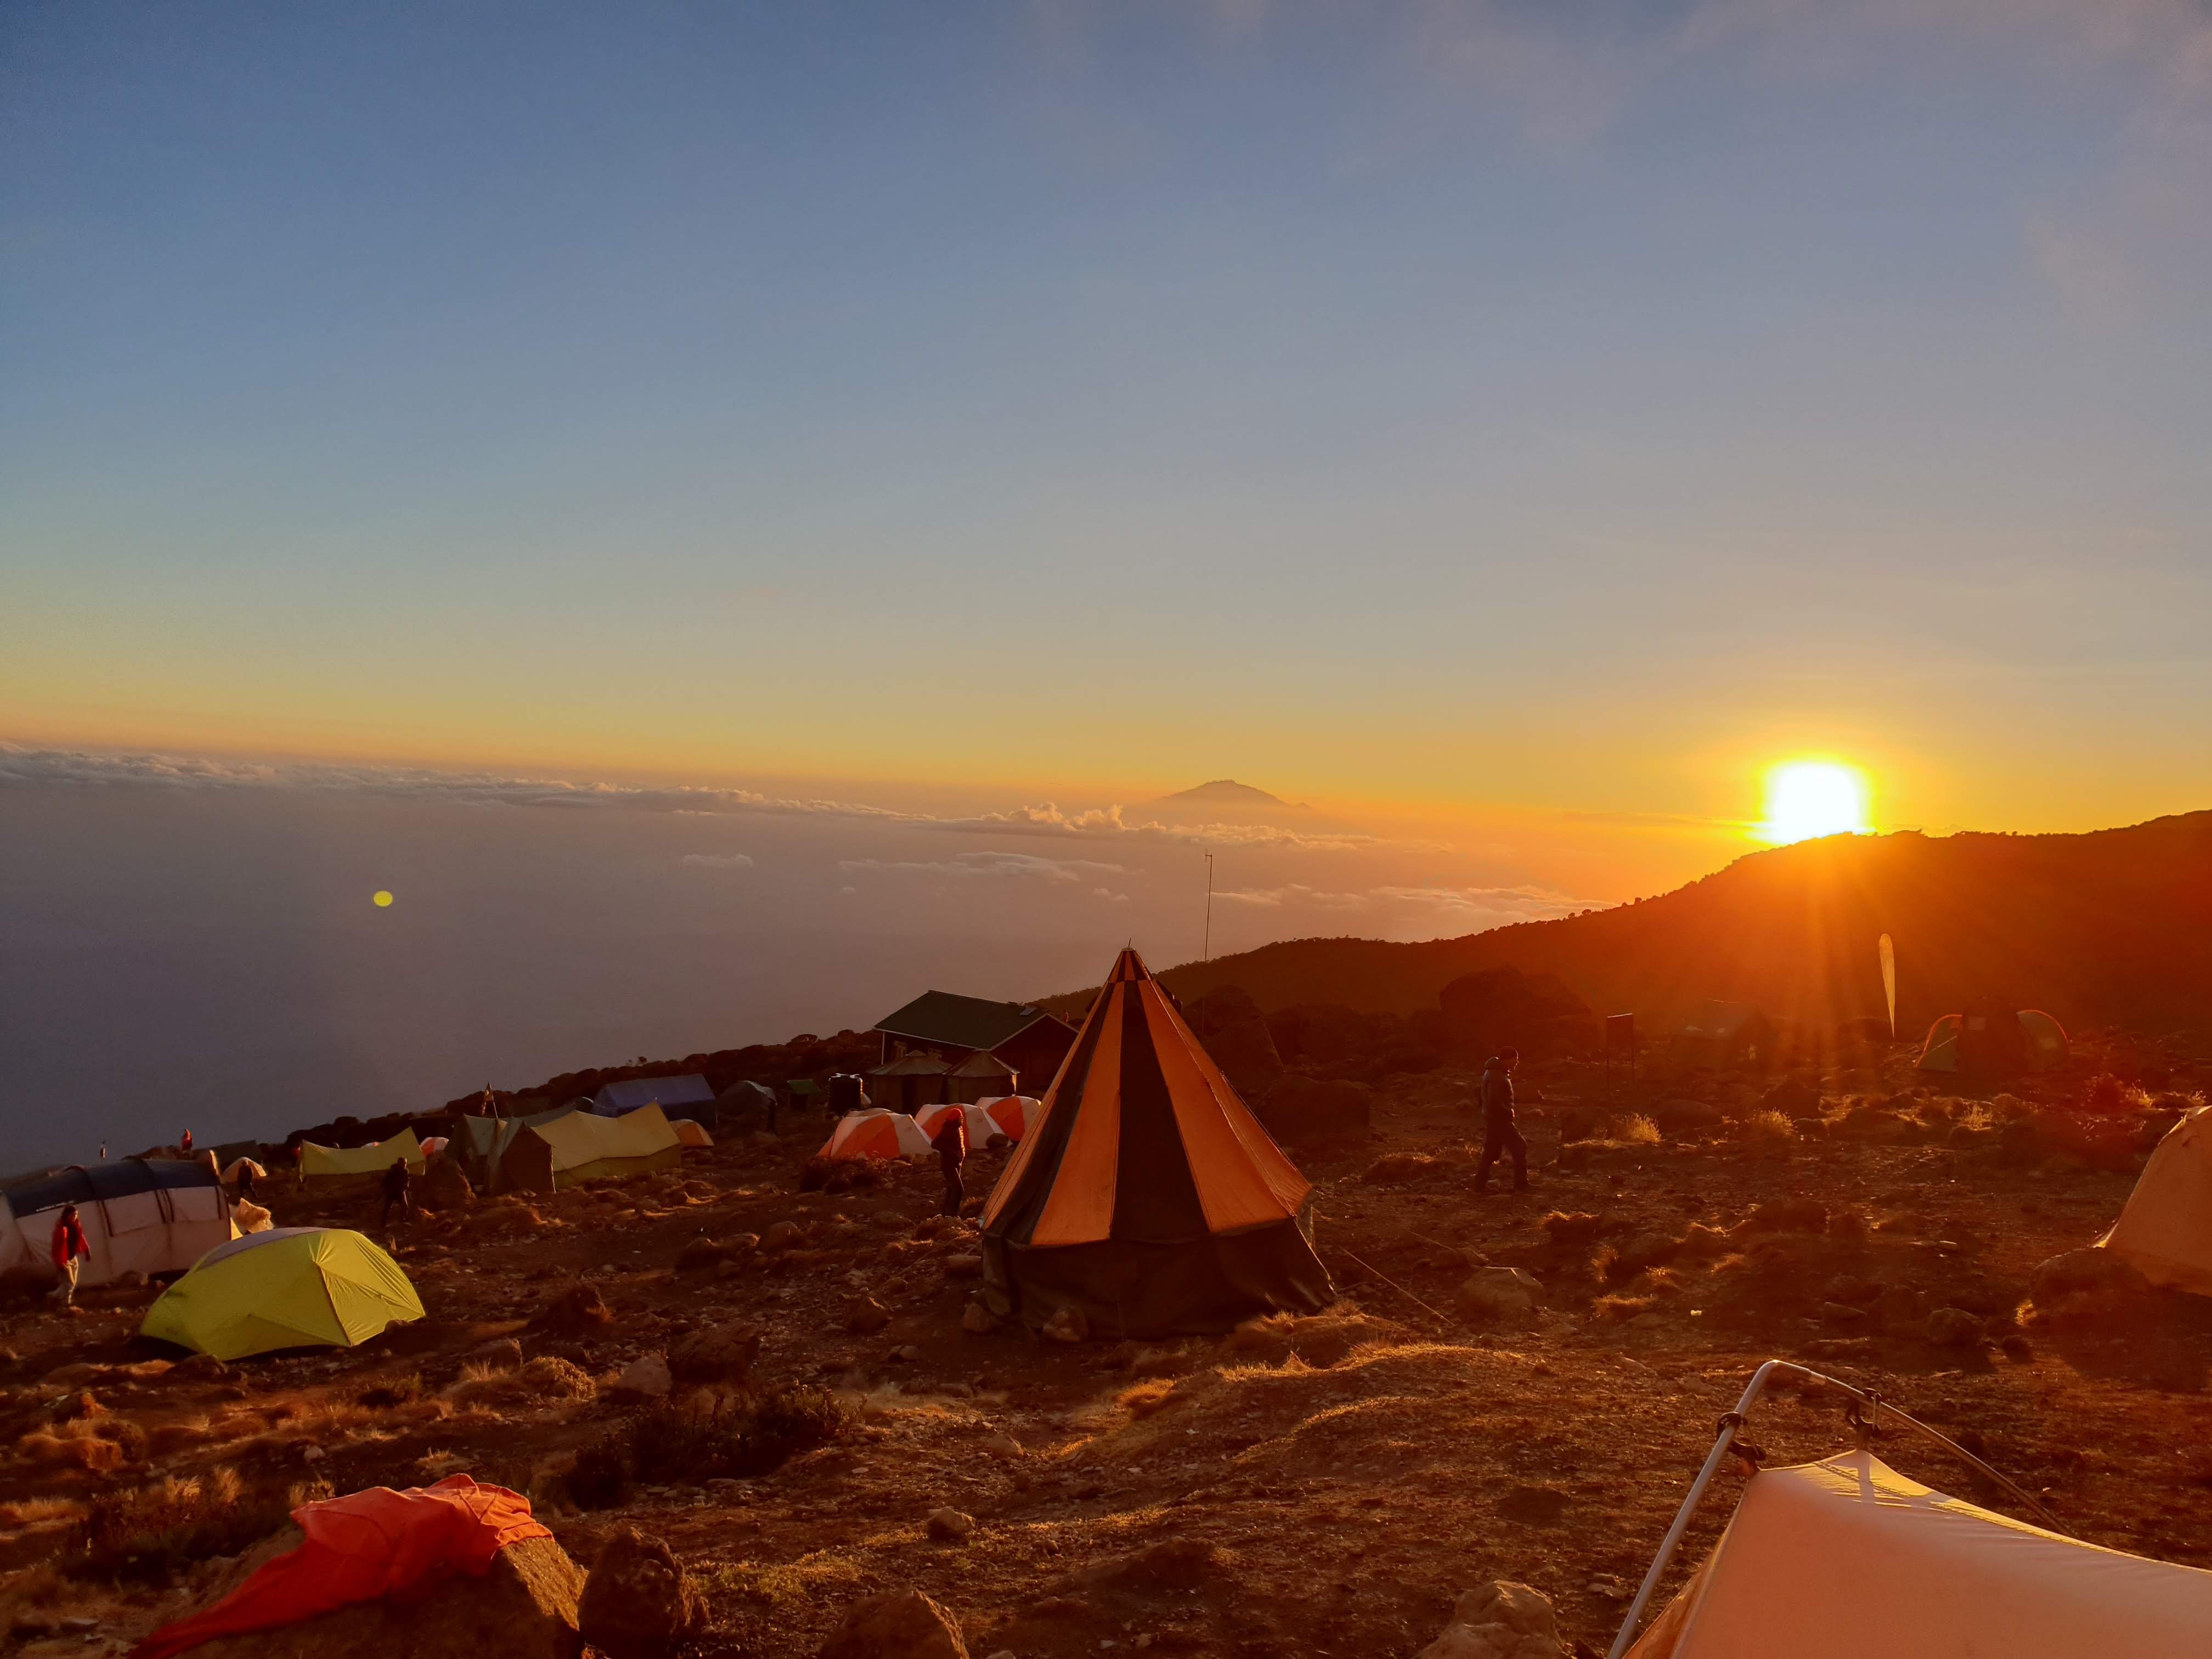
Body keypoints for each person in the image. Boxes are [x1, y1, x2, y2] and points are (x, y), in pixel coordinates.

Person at [1475, 1047, 1528, 1193]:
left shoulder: (1495, 1073)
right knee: (1520, 1146)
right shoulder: (1497, 1076)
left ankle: (1479, 1185)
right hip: (1499, 1119)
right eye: (1514, 1059)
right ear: (1506, 1059)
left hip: (1493, 1118)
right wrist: (1508, 1111)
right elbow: (1493, 1100)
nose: (1517, 1062)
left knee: (1490, 1152)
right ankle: (1521, 1185)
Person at [930, 1107, 969, 1218]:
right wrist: (951, 1153)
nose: (962, 1119)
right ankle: (951, 1215)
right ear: (956, 1119)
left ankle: (944, 1215)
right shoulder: (948, 1129)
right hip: (949, 1165)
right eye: (961, 1118)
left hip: (956, 1163)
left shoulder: (957, 1128)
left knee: (951, 1190)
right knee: (958, 1190)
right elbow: (935, 1144)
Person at [51, 1204, 90, 1311]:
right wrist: (60, 1264)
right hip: (64, 1260)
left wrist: (87, 1250)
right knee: (69, 1284)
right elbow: (57, 1248)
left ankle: (52, 1297)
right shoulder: (61, 1230)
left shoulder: (75, 1225)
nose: (75, 1217)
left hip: (73, 1258)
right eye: (73, 1215)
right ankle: (66, 1305)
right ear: (67, 1216)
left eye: (76, 1214)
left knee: (70, 1283)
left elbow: (80, 1237)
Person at [377, 1156, 412, 1234]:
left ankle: (402, 1220)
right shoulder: (392, 1171)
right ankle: (382, 1224)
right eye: (403, 1163)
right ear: (398, 1163)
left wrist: (405, 1187)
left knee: (405, 1206)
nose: (404, 1165)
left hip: (400, 1191)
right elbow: (385, 1182)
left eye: (405, 1163)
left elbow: (407, 1182)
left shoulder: (405, 1172)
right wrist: (387, 1190)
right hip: (391, 1192)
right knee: (387, 1208)